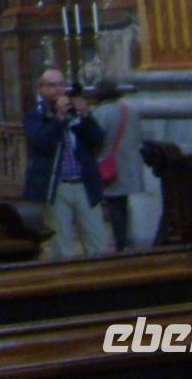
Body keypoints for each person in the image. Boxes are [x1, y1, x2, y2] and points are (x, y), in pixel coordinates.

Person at [25, 67, 109, 257]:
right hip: (56, 186)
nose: (58, 89)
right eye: (52, 85)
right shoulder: (35, 114)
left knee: (97, 242)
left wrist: (85, 115)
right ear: (41, 89)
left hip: (84, 184)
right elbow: (42, 142)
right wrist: (59, 118)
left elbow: (97, 139)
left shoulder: (75, 112)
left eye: (61, 84)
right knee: (62, 246)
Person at [88, 79, 142, 251]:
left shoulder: (99, 113)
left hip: (109, 165)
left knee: (113, 206)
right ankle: (125, 239)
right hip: (129, 164)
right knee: (122, 204)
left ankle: (119, 242)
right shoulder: (130, 111)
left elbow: (95, 140)